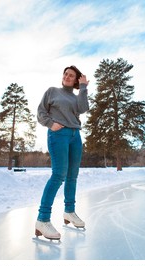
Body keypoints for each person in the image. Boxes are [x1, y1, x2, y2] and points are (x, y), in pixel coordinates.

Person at [35, 65, 89, 240]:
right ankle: (42, 219)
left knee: (72, 176)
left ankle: (69, 211)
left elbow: (83, 108)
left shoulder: (76, 97)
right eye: (65, 73)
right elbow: (40, 111)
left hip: (75, 135)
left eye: (71, 75)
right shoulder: (52, 91)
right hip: (59, 134)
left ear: (75, 80)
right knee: (59, 175)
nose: (67, 76)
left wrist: (83, 87)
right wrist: (51, 124)